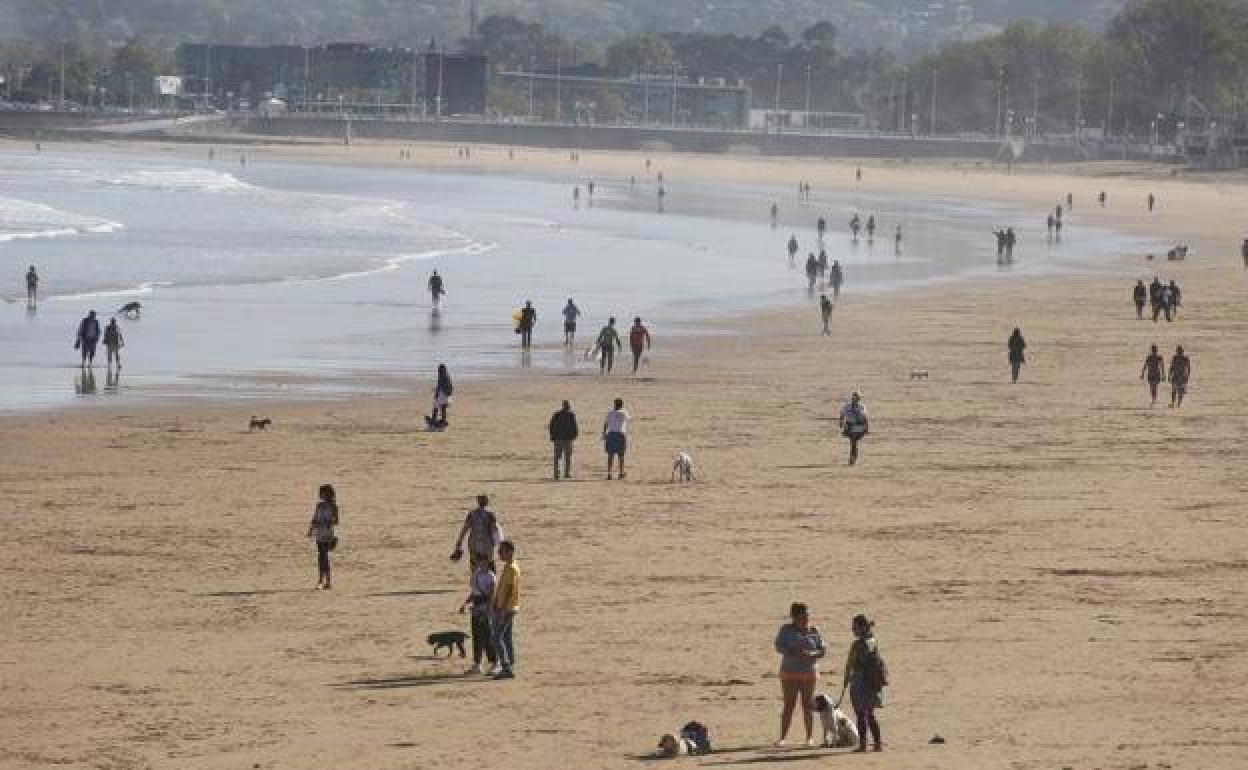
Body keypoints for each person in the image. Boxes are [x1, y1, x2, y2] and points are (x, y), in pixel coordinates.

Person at [773, 602, 825, 748]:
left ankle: (809, 738)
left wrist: (811, 653)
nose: (807, 618)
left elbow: (822, 650)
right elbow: (778, 646)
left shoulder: (814, 630)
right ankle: (782, 738)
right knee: (789, 705)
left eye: (808, 615)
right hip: (789, 672)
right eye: (803, 615)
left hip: (809, 673)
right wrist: (791, 651)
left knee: (808, 705)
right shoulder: (786, 629)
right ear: (794, 617)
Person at [842, 614, 885, 753]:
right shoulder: (872, 640)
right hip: (871, 681)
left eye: (855, 627)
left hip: (862, 681)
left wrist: (848, 676)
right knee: (869, 714)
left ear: (862, 627)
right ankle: (877, 743)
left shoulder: (860, 644)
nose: (853, 630)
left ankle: (864, 744)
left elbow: (853, 663)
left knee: (861, 714)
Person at [460, 555, 498, 675]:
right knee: (476, 636)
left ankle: (494, 663)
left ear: (487, 561)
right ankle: (477, 664)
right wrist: (465, 603)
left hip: (485, 609)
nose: (480, 563)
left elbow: (491, 595)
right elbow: (474, 592)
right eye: (478, 561)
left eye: (482, 560)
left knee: (488, 637)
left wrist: (487, 611)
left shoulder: (490, 576)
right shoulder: (476, 573)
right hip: (476, 608)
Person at [491, 540, 520, 679]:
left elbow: (509, 589)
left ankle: (506, 667)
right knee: (506, 637)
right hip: (506, 607)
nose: (499, 554)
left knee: (497, 637)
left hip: (507, 609)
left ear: (509, 552)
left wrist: (502, 608)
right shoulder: (509, 566)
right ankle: (510, 664)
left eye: (501, 551)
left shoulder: (512, 568)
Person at [451, 495, 503, 565]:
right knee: (488, 564)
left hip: (474, 544)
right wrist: (500, 544)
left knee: (474, 565)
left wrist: (459, 542)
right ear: (487, 501)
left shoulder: (472, 514)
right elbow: (494, 530)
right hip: (487, 544)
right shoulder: (490, 514)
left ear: (478, 501)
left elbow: (465, 529)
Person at [306, 484, 339, 590]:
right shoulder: (319, 505)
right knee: (322, 557)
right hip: (319, 534)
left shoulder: (333, 506)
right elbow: (314, 518)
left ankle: (323, 581)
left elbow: (336, 521)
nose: (320, 495)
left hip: (328, 534)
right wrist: (311, 530)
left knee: (323, 556)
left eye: (322, 493)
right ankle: (326, 581)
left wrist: (328, 521)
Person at [549, 400, 578, 480]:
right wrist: (574, 435)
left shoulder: (559, 414)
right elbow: (574, 426)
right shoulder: (569, 415)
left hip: (561, 439)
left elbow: (551, 426)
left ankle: (559, 473)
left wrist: (553, 436)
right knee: (565, 457)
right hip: (565, 439)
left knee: (560, 457)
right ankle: (564, 473)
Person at [603, 397, 630, 480]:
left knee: (610, 455)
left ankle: (609, 473)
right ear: (621, 404)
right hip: (620, 434)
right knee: (621, 455)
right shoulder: (624, 412)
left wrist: (604, 433)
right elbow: (628, 419)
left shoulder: (610, 413)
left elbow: (605, 424)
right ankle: (621, 472)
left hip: (611, 434)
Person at [838, 392, 869, 466]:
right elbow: (842, 414)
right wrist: (841, 422)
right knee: (853, 442)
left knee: (854, 441)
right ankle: (853, 458)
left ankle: (853, 458)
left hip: (859, 426)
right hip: (850, 426)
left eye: (858, 398)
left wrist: (866, 428)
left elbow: (865, 418)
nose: (856, 399)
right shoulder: (847, 406)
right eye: (855, 398)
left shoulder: (862, 407)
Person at [430, 364, 452, 428]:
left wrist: (436, 396)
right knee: (443, 409)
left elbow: (439, 388)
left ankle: (434, 420)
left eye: (439, 370)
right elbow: (450, 388)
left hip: (442, 396)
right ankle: (443, 421)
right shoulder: (447, 377)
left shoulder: (441, 377)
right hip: (447, 396)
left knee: (436, 407)